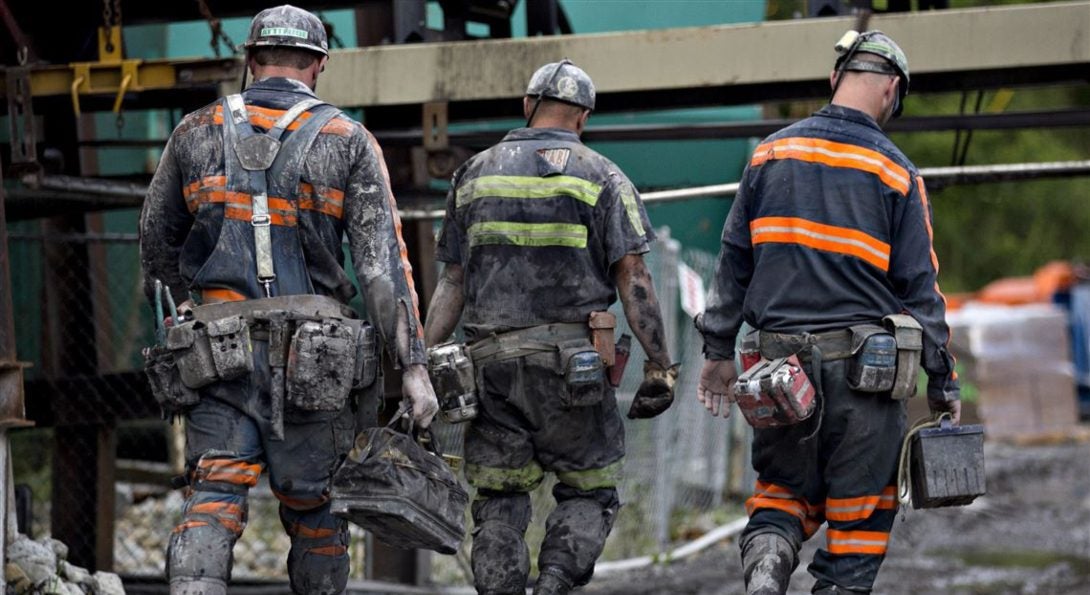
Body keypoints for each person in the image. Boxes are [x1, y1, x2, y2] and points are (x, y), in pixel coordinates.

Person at [139, 6, 438, 594]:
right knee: (316, 512)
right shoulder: (347, 139)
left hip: (215, 356)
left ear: (249, 60)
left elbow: (154, 244)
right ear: (320, 65)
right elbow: (383, 272)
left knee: (214, 496)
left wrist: (196, 306)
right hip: (316, 363)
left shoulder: (192, 132)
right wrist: (414, 367)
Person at [695, 31, 961, 595]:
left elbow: (733, 261)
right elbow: (921, 292)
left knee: (782, 491)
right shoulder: (896, 173)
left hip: (777, 370)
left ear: (834, 79)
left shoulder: (770, 154)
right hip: (862, 376)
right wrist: (944, 381)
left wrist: (717, 352)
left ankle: (767, 564)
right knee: (860, 517)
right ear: (892, 90)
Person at [424, 60, 678, 595]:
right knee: (590, 491)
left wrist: (422, 361)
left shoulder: (474, 175)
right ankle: (555, 584)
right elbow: (634, 279)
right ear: (582, 117)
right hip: (574, 374)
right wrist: (660, 364)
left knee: (499, 500)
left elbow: (452, 282)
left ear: (527, 105)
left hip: (489, 370)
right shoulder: (602, 176)